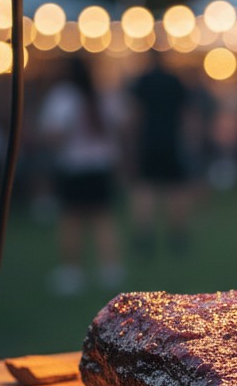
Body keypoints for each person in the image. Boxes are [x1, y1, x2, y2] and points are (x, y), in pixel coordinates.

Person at [38, 55, 125, 296]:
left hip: (74, 165)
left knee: (71, 219)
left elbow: (52, 133)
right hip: (101, 164)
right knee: (102, 218)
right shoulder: (102, 95)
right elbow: (123, 122)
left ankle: (72, 272)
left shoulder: (63, 96)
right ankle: (110, 269)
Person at [128, 51, 194, 257]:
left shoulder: (142, 81)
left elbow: (135, 113)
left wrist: (133, 142)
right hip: (171, 140)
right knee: (175, 189)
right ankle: (177, 234)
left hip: (148, 141)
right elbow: (186, 113)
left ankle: (144, 235)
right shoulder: (174, 81)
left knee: (145, 188)